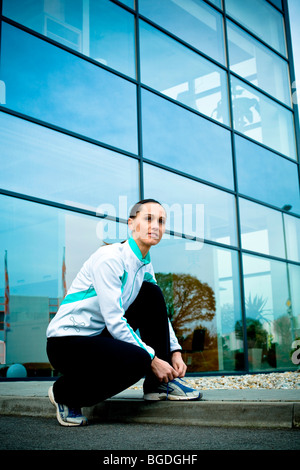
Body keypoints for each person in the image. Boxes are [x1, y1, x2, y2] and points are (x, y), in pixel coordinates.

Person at [46, 198, 202, 427]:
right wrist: (152, 358)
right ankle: (65, 393)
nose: (155, 226)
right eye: (148, 218)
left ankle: (156, 385)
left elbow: (158, 312)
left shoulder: (144, 264)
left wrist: (174, 352)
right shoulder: (110, 258)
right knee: (139, 359)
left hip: (98, 337)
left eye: (161, 221)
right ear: (131, 224)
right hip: (67, 344)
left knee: (152, 294)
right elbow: (115, 321)